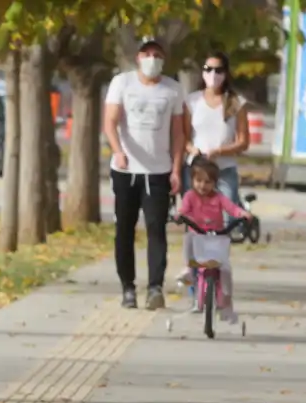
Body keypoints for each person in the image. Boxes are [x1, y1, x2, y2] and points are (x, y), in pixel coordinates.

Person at [103, 39, 185, 310]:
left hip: (158, 171)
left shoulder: (172, 90)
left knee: (156, 229)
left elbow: (177, 132)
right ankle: (128, 286)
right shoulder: (122, 83)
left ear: (164, 59)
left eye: (157, 54)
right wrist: (118, 151)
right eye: (147, 54)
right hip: (126, 171)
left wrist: (176, 168)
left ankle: (155, 287)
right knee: (124, 229)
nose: (152, 58)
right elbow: (110, 121)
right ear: (138, 57)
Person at [175, 158, 252, 324]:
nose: (202, 185)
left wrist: (242, 214)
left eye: (207, 182)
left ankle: (225, 303)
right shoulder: (190, 196)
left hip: (216, 237)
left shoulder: (219, 198)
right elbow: (184, 209)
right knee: (188, 239)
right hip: (198, 237)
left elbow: (232, 208)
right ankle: (189, 269)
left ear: (215, 183)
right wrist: (179, 215)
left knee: (225, 270)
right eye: (198, 181)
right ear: (192, 181)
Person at [182, 51, 250, 209]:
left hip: (224, 170)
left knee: (226, 219)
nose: (213, 74)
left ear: (226, 73)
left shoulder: (235, 102)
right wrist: (192, 149)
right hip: (196, 170)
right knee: (195, 217)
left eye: (218, 70)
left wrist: (219, 151)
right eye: (208, 69)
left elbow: (243, 142)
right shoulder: (192, 101)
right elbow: (183, 137)